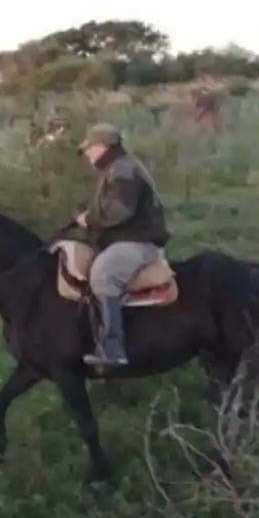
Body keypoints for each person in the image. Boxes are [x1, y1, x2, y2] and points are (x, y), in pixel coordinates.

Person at [74, 123, 171, 367]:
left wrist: (89, 219)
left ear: (102, 146)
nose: (87, 154)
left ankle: (113, 349)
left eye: (89, 149)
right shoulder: (118, 167)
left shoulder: (122, 170)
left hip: (139, 242)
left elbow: (119, 212)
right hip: (130, 238)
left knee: (103, 276)